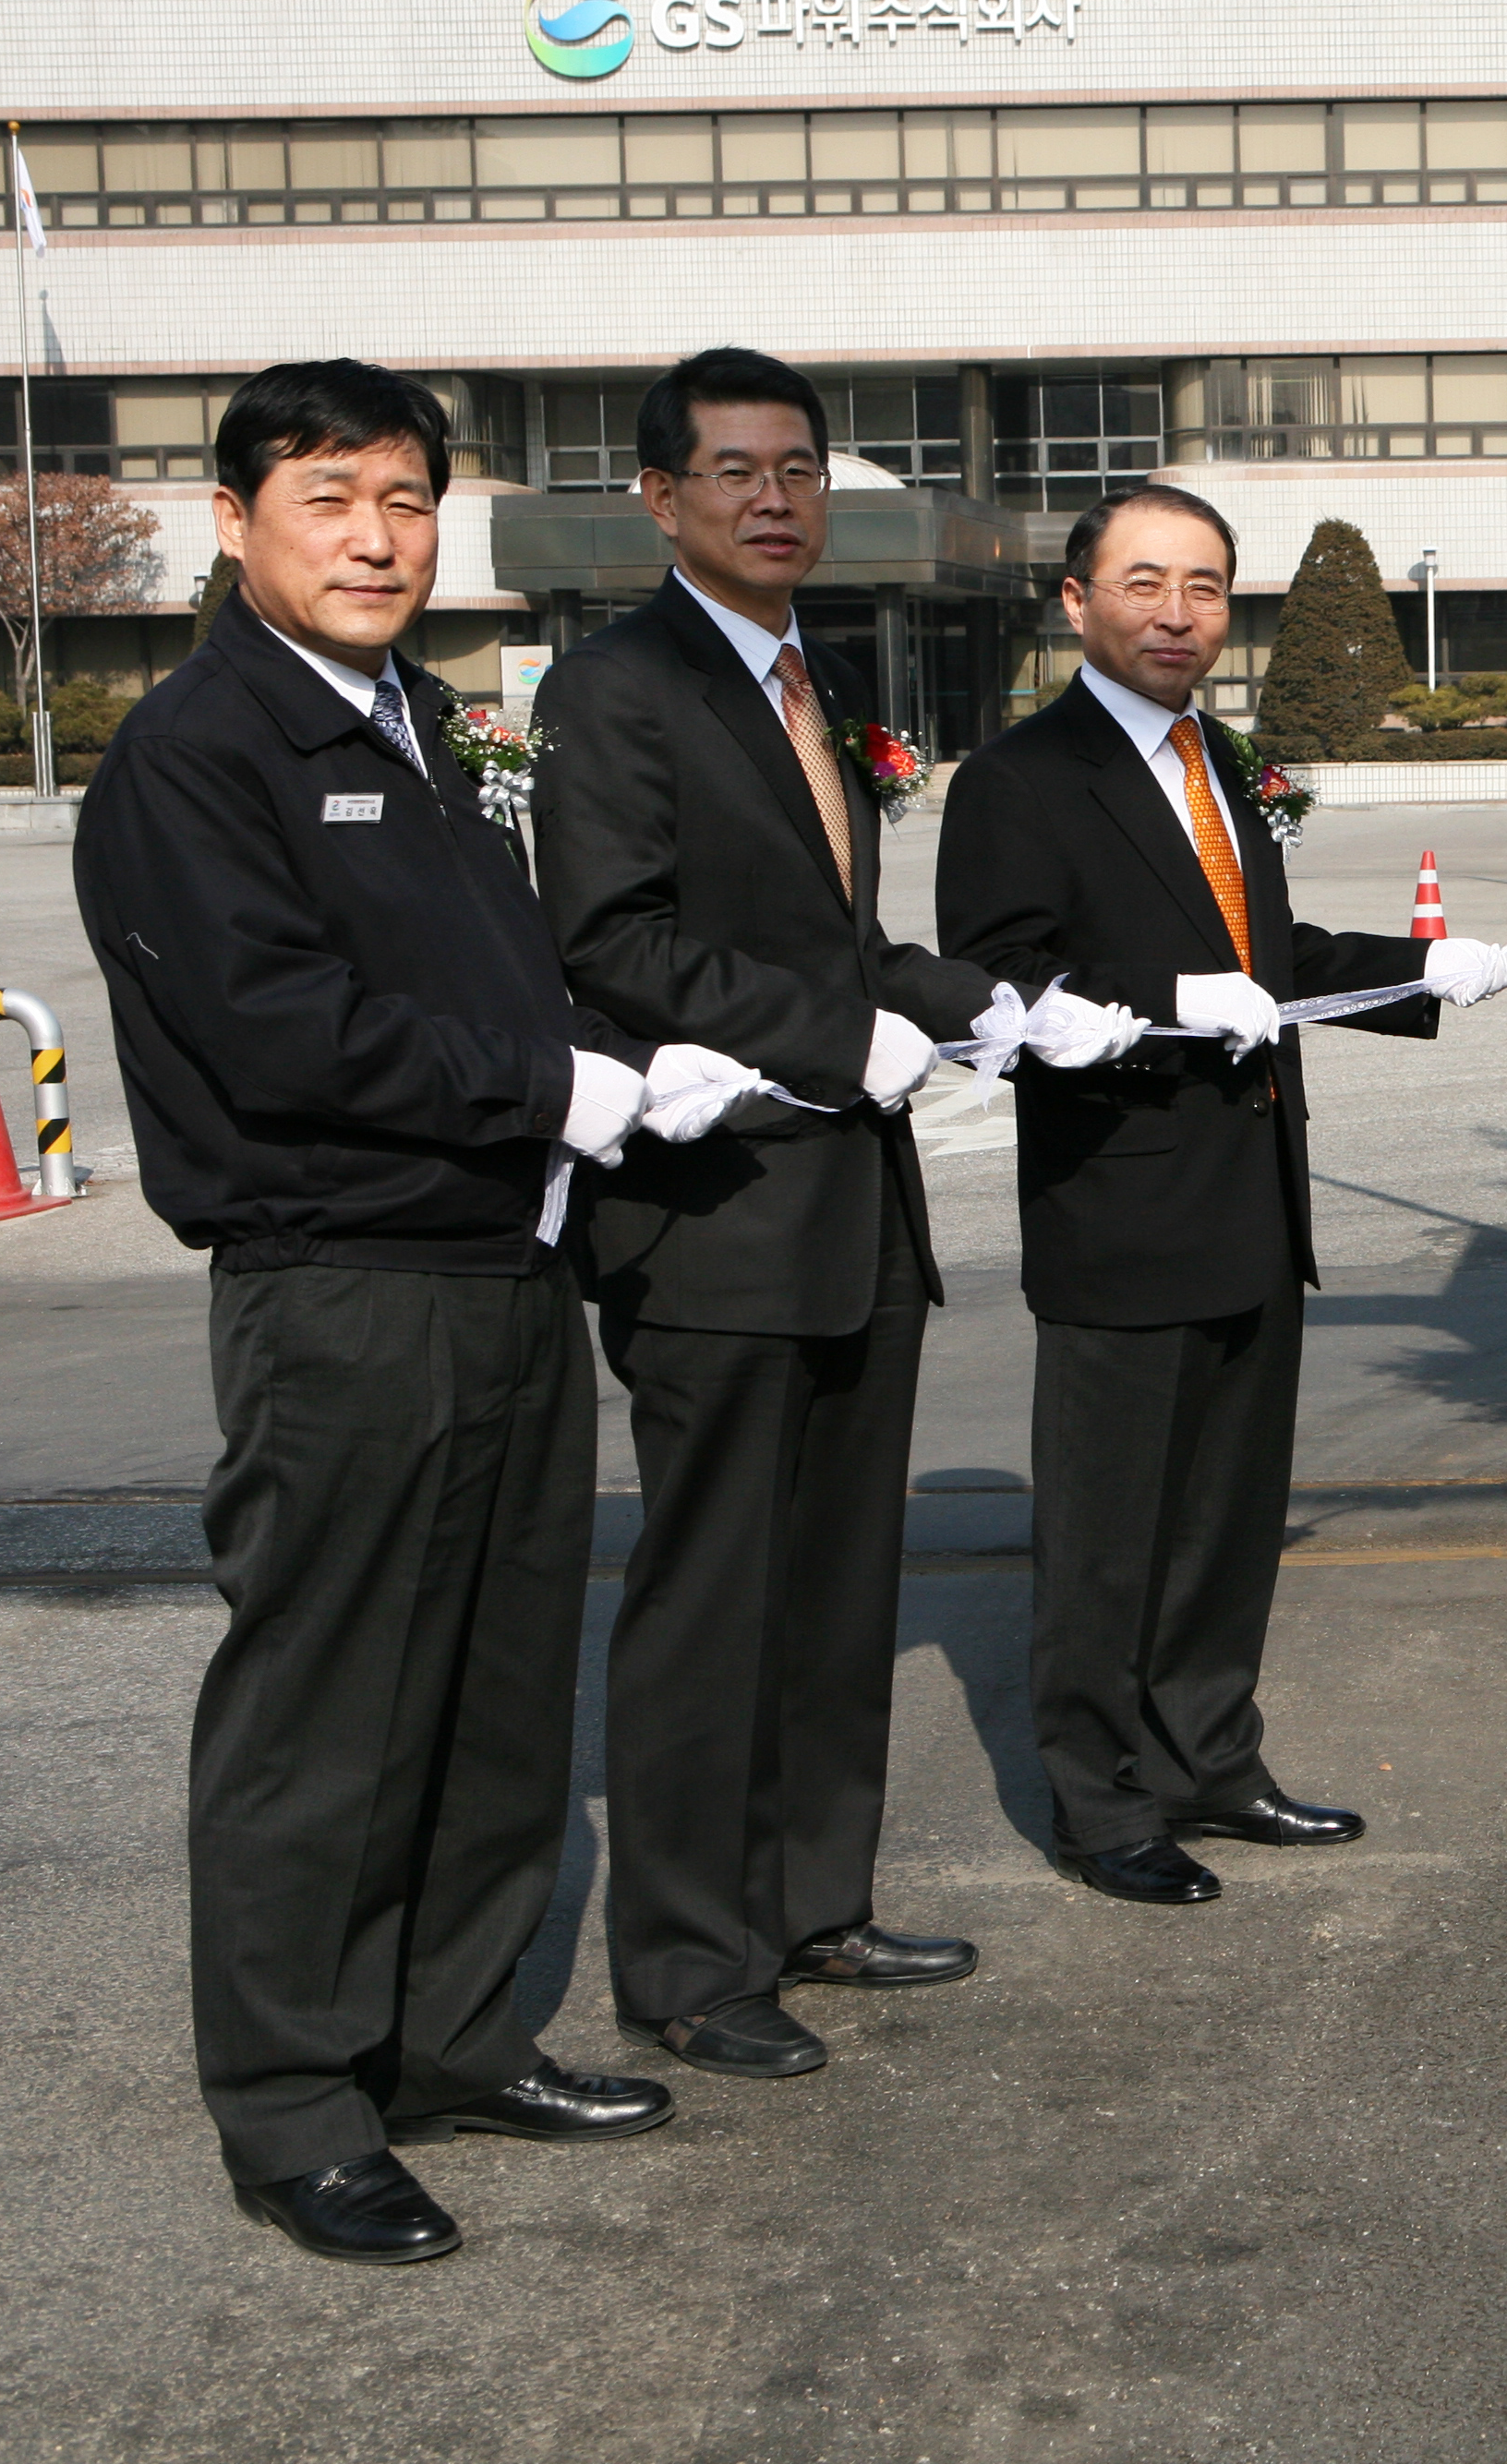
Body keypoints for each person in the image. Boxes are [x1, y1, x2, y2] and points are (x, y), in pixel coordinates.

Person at [78, 360, 725, 2262]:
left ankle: (450, 2036)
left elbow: (491, 976)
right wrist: (547, 1088)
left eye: (408, 502)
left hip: (505, 1267)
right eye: (330, 499)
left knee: (499, 1691)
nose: (377, 540)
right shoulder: (203, 750)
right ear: (233, 523)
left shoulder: (426, 722)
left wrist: (627, 1061)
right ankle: (295, 2104)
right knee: (330, 1708)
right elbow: (279, 1026)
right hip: (345, 1282)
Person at [528, 348, 1072, 2080]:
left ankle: (816, 1904)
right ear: (659, 498)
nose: (775, 499)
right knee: (714, 1602)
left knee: (840, 1586)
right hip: (715, 1214)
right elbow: (613, 941)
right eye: (735, 470)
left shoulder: (818, 675)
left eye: (800, 470)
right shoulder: (615, 688)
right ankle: (693, 1964)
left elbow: (839, 940)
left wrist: (993, 1002)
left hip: (855, 1208)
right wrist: (840, 1035)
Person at [934, 484, 1507, 1904]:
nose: (1177, 614)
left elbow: (1272, 954)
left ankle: (1208, 1758)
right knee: (1108, 1539)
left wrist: (1419, 972)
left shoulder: (1217, 762)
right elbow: (998, 980)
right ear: (1076, 599)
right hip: (1121, 1209)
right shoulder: (1021, 779)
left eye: (1203, 586)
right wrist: (1165, 997)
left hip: (1253, 1205)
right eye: (1143, 582)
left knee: (1223, 1522)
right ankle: (1101, 1803)